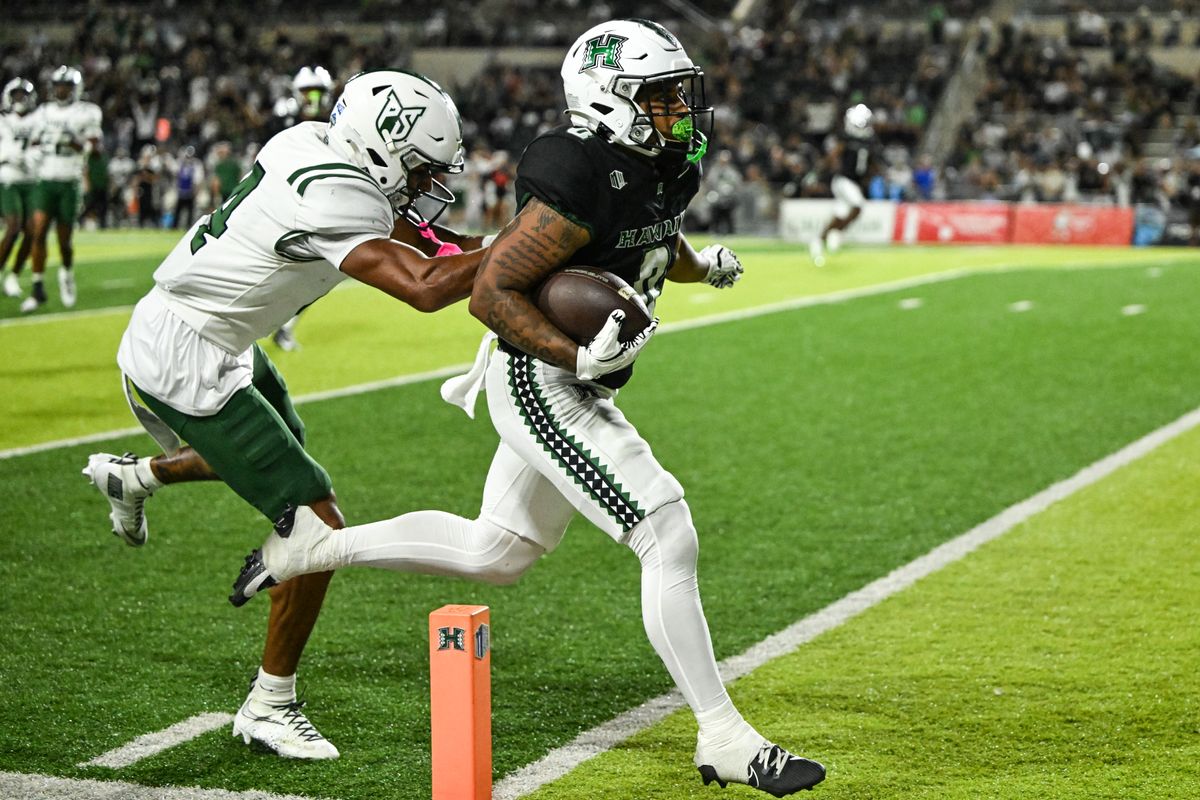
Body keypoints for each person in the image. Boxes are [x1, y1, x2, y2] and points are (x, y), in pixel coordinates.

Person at [232, 21, 826, 796]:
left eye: (682, 92)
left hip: (577, 378)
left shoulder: (665, 164)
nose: (681, 108)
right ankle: (723, 737)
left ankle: (309, 550)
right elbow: (489, 292)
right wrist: (575, 358)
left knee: (496, 552)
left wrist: (694, 265)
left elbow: (648, 233)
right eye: (661, 95)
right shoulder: (575, 170)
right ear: (610, 101)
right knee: (666, 531)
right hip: (542, 380)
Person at [81, 70, 491, 761]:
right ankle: (270, 704)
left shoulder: (311, 140)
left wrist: (502, 246)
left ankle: (138, 478)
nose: (426, 184)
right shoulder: (337, 198)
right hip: (187, 355)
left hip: (213, 331)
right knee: (317, 524)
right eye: (419, 169)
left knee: (281, 450)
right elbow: (422, 289)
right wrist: (525, 249)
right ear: (383, 149)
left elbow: (421, 238)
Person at [21, 66, 102, 312]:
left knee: (64, 240)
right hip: (45, 178)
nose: (61, 90)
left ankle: (66, 274)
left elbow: (96, 149)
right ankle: (37, 288)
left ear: (75, 89)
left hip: (70, 180)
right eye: (58, 85)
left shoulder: (87, 112)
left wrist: (76, 143)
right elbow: (30, 138)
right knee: (38, 231)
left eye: (66, 86)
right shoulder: (43, 112)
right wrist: (34, 149)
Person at [271, 66, 336, 353]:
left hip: (313, 204)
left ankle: (284, 326)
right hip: (277, 199)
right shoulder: (284, 119)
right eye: (308, 92)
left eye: (318, 93)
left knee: (318, 272)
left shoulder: (336, 123)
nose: (313, 99)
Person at [809, 103, 875, 268]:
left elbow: (867, 164)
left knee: (839, 215)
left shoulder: (868, 141)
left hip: (853, 182)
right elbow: (834, 155)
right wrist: (821, 171)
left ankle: (819, 240)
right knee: (858, 207)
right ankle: (836, 233)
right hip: (843, 180)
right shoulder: (846, 138)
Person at [0, 77, 37, 299]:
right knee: (13, 227)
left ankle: (13, 275)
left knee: (32, 232)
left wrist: (30, 158)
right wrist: (8, 156)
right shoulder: (3, 120)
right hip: (8, 179)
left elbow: (43, 146)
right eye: (17, 95)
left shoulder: (39, 120)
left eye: (24, 95)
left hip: (31, 180)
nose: (20, 99)